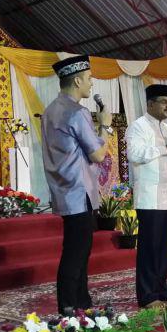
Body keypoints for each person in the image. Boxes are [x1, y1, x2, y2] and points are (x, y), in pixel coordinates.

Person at [41, 55, 112, 315]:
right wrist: (106, 126)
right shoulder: (77, 112)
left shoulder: (50, 110)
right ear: (78, 80)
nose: (92, 83)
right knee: (76, 254)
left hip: (63, 189)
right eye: (89, 78)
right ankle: (70, 309)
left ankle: (82, 305)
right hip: (79, 191)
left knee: (76, 251)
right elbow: (98, 154)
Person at [125, 84, 167, 309]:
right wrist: (165, 150)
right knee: (150, 248)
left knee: (165, 247)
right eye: (163, 102)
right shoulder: (138, 127)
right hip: (150, 198)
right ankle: (147, 295)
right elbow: (134, 154)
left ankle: (162, 289)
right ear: (150, 104)